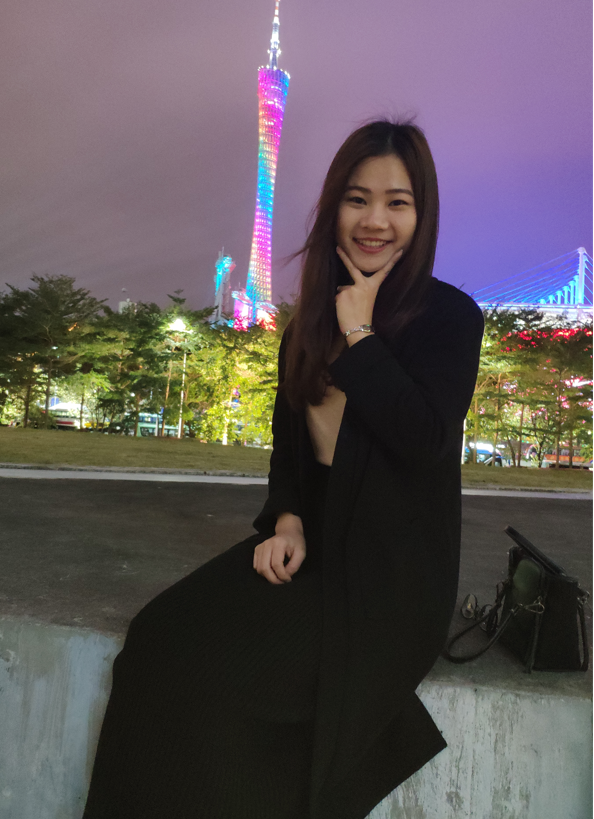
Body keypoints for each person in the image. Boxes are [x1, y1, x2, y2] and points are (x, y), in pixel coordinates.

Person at [82, 119, 485, 819]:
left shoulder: (449, 317)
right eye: (357, 199)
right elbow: (290, 441)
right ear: (333, 208)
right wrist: (288, 519)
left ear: (422, 215)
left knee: (228, 686)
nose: (375, 220)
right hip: (315, 546)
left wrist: (361, 333)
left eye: (397, 202)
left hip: (390, 576)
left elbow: (423, 439)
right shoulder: (308, 321)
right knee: (156, 640)